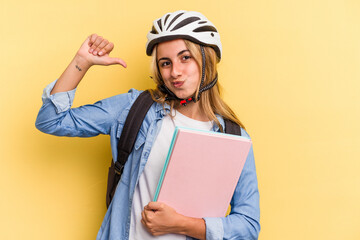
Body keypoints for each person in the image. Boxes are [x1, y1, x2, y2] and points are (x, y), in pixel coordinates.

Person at [36, 10, 260, 240]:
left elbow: (249, 226)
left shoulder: (234, 137)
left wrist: (181, 224)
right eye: (165, 63)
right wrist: (81, 62)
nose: (175, 72)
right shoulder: (136, 109)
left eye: (185, 58)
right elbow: (51, 121)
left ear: (207, 59)